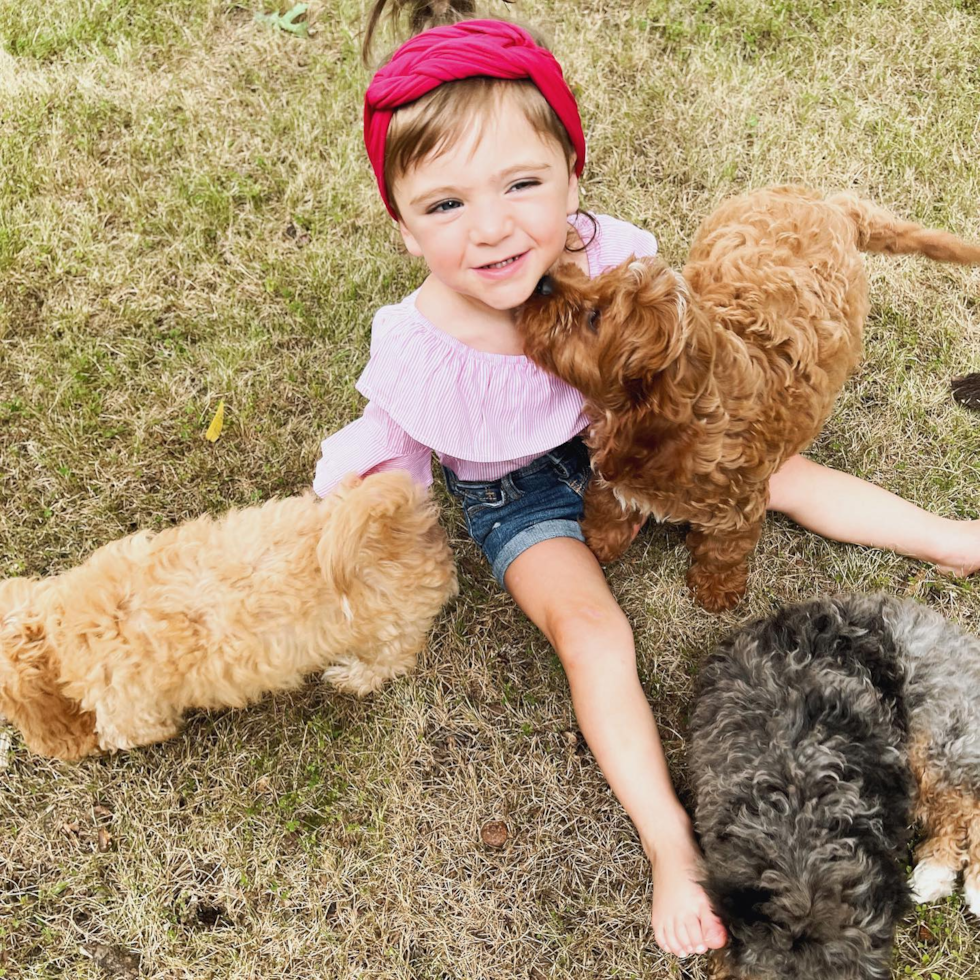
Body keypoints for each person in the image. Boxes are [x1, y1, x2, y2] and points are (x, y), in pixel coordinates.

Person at [313, 0, 980, 959]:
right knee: (591, 630)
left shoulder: (611, 257)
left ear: (572, 175)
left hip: (631, 439)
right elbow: (392, 450)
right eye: (446, 205)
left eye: (522, 184)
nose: (494, 230)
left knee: (768, 471)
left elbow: (689, 357)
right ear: (403, 226)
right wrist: (346, 497)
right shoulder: (421, 350)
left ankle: (951, 537)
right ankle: (669, 842)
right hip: (521, 492)